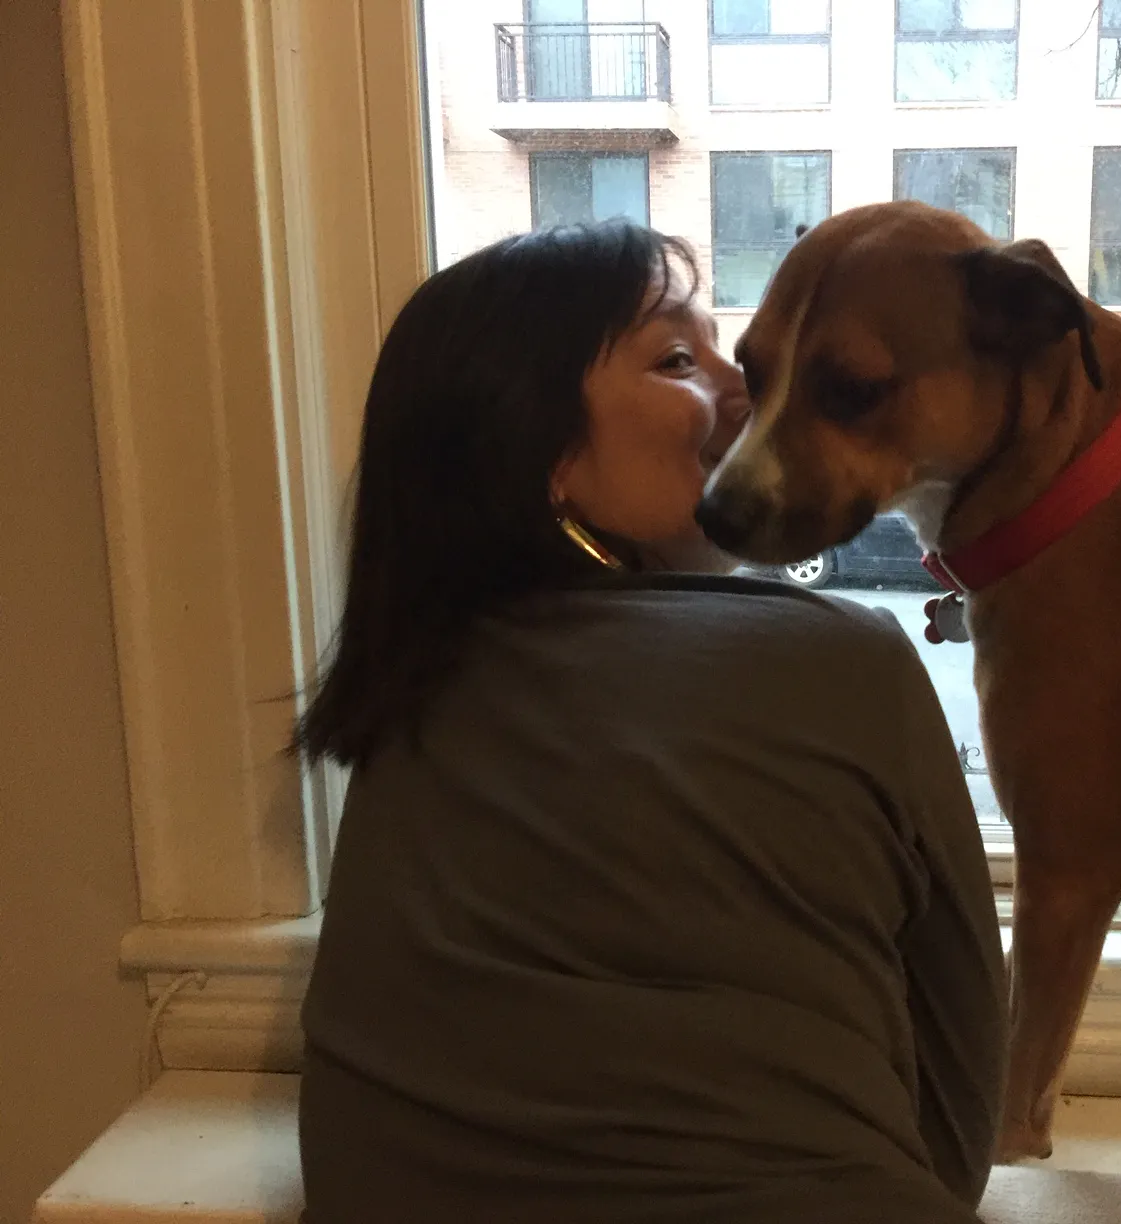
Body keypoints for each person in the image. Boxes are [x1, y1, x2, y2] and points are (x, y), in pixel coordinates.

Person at [294, 221, 1006, 1223]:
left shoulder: (404, 708)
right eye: (677, 356)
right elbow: (959, 1122)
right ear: (542, 453)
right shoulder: (837, 660)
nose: (749, 388)